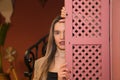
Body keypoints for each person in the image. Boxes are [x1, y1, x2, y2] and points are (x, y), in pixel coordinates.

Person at [32, 7, 70, 80]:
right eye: (57, 33)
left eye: (66, 32)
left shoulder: (80, 63)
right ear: (53, 36)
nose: (62, 37)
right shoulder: (40, 64)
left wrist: (75, 17)